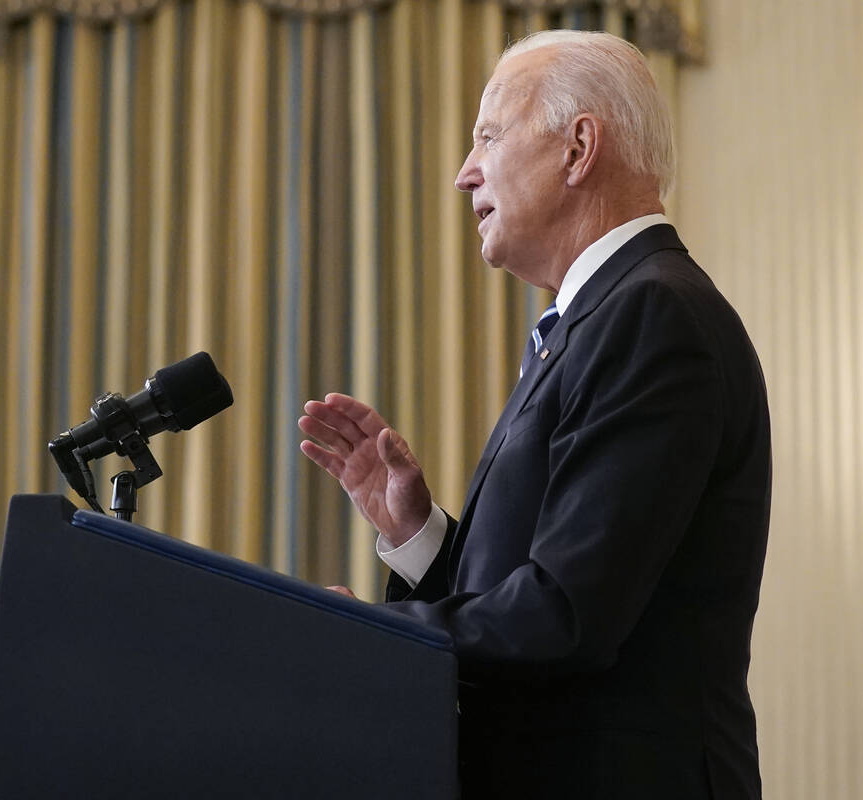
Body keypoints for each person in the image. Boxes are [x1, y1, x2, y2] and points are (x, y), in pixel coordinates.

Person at [298, 30, 770, 799]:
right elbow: (542, 588)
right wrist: (417, 535)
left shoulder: (652, 314)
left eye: (488, 135)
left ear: (579, 147)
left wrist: (374, 637)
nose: (464, 173)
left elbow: (567, 615)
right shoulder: (596, 319)